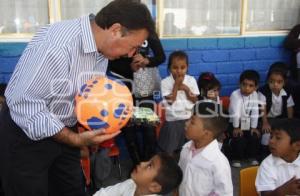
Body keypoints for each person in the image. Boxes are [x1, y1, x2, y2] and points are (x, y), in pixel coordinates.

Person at [0, 1, 155, 196]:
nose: (132, 54)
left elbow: (85, 93)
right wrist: (73, 138)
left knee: (71, 189)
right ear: (115, 30)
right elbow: (24, 103)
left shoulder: (101, 50)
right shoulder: (57, 44)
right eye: (133, 47)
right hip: (26, 134)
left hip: (65, 131)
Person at [107, 31, 166, 165]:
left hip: (144, 87)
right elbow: (109, 62)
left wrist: (146, 60)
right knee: (129, 132)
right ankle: (137, 166)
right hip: (123, 88)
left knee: (149, 130)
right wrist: (130, 68)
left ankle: (147, 166)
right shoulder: (117, 33)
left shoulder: (147, 32)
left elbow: (161, 57)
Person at [178, 102, 233, 196]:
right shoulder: (186, 149)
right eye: (189, 119)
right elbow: (180, 178)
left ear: (206, 133)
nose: (186, 123)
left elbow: (224, 193)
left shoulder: (218, 162)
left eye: (192, 122)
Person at [158, 51, 199, 153]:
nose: (179, 71)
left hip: (189, 119)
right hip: (173, 121)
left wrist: (185, 88)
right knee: (170, 148)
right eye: (175, 68)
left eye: (182, 67)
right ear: (169, 68)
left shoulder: (191, 80)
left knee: (190, 148)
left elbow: (195, 100)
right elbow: (171, 101)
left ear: (187, 67)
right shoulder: (165, 82)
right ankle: (169, 166)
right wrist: (176, 86)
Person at [93, 152, 183, 196]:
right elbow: (104, 193)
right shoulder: (131, 183)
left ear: (154, 187)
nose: (142, 163)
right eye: (148, 161)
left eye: (149, 166)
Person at [258, 62, 294, 160]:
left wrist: (289, 121)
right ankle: (264, 153)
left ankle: (283, 152)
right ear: (267, 81)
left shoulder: (287, 92)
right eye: (272, 81)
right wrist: (265, 122)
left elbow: (289, 107)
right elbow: (262, 107)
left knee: (285, 132)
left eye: (279, 82)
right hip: (266, 119)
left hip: (280, 119)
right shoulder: (263, 91)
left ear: (284, 82)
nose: (275, 84)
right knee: (267, 132)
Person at [255, 118, 300, 196]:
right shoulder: (267, 165)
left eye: (278, 138)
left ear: (297, 146)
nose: (271, 141)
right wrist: (284, 191)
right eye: (271, 136)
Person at [229, 70, 261, 168]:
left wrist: (253, 127)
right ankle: (236, 158)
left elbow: (255, 112)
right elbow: (235, 113)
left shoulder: (255, 94)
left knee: (254, 135)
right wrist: (236, 127)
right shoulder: (235, 95)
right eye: (244, 84)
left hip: (248, 122)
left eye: (251, 86)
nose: (247, 88)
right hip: (235, 123)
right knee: (239, 137)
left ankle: (251, 157)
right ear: (239, 84)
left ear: (256, 87)